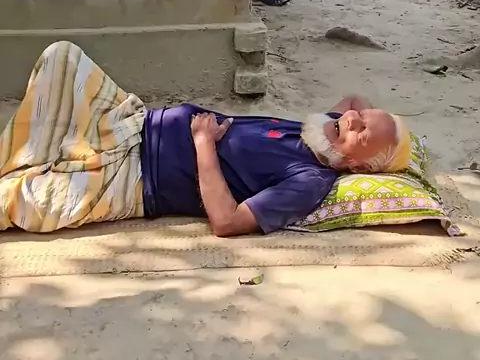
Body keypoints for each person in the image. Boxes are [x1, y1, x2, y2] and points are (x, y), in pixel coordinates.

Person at [0, 42, 412, 236]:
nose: (351, 118)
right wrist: (377, 128)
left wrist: (203, 144)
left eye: (360, 131)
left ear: (358, 165)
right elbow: (354, 102)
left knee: (16, 201)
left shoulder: (309, 181)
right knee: (62, 58)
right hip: (133, 123)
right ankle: (27, 157)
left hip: (132, 181)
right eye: (358, 118)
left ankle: (33, 167)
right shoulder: (324, 131)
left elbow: (227, 222)